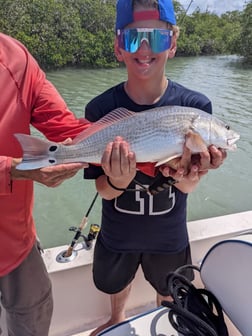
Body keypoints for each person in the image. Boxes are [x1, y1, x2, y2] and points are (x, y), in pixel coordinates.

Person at [84, 1, 226, 335]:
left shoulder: (195, 107)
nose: (145, 49)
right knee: (115, 284)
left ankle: (166, 324)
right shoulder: (100, 109)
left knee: (169, 291)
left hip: (169, 233)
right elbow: (102, 189)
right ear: (119, 47)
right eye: (134, 39)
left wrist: (192, 175)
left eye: (157, 39)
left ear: (173, 45)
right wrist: (118, 181)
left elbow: (188, 186)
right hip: (117, 230)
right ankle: (116, 318)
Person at [0, 32, 91, 336]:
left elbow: (65, 127)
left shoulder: (15, 56)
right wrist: (17, 169)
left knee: (34, 317)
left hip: (16, 241)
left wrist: (147, 141)